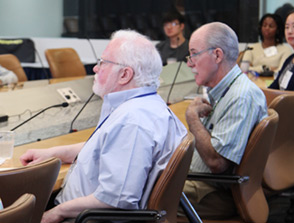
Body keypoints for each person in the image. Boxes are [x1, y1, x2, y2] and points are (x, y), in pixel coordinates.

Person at [20, 30, 187, 223]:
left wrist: (56, 213)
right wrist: (53, 153)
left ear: (125, 74)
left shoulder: (133, 122)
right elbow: (104, 148)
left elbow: (115, 199)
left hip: (86, 219)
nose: (95, 69)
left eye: (103, 63)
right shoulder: (146, 105)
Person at [182, 22, 268, 219]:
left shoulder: (240, 97)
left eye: (194, 54)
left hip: (214, 193)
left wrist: (193, 119)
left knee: (143, 197)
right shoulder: (225, 90)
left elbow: (217, 162)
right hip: (203, 184)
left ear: (217, 55)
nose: (189, 63)